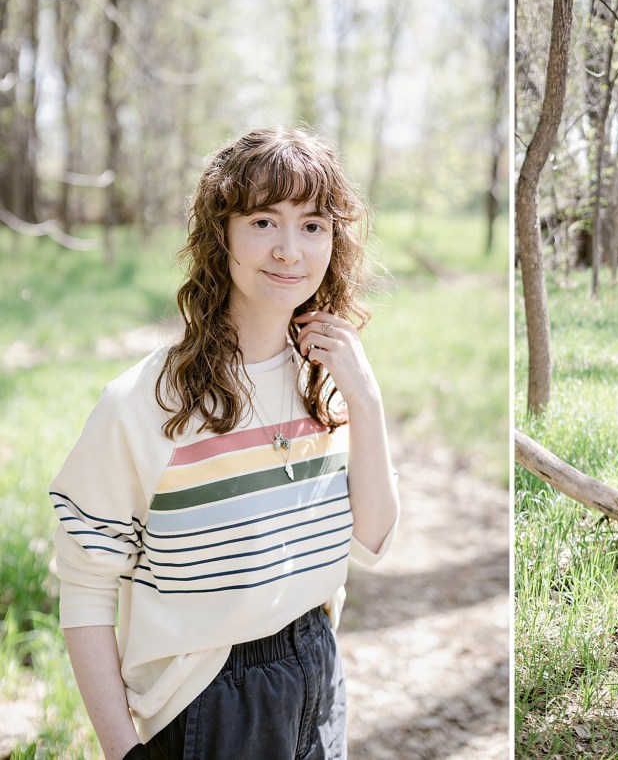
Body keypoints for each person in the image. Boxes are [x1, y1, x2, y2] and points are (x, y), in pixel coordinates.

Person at [50, 127, 400, 759]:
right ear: (223, 235)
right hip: (206, 700)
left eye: (313, 224)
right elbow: (85, 587)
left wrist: (368, 403)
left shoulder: (328, 383)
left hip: (317, 670)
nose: (290, 250)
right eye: (264, 221)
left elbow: (373, 539)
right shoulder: (143, 403)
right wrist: (121, 750)